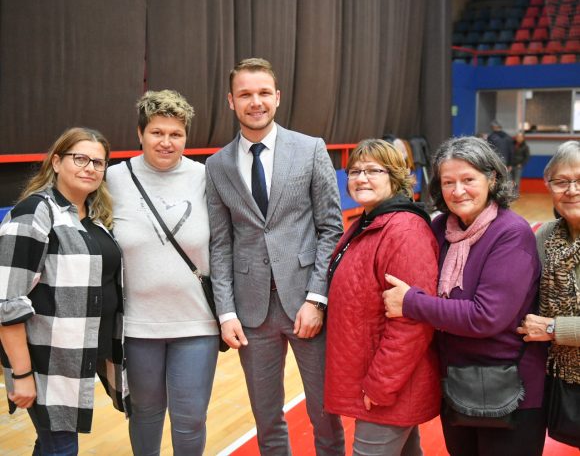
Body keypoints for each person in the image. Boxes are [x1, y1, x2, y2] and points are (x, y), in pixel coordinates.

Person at [205, 58, 345, 455]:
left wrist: (317, 299)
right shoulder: (216, 165)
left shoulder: (311, 149)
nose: (256, 102)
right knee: (266, 419)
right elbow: (220, 244)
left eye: (264, 92)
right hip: (251, 313)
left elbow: (331, 229)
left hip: (307, 305)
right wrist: (226, 312)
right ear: (231, 101)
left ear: (277, 97)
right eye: (245, 94)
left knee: (324, 413)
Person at [383, 136, 548, 456]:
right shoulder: (441, 228)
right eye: (448, 182)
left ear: (492, 179)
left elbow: (485, 317)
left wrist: (411, 303)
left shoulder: (511, 233)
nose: (458, 191)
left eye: (468, 180)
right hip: (456, 381)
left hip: (510, 387)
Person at [0, 127, 130, 454]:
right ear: (56, 162)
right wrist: (22, 374)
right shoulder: (34, 213)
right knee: (61, 449)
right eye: (80, 158)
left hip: (85, 354)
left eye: (98, 163)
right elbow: (6, 301)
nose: (90, 168)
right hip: (47, 364)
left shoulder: (95, 217)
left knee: (52, 446)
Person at [106, 90, 219, 456]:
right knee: (145, 414)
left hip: (196, 324)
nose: (166, 142)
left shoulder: (206, 177)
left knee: (191, 419)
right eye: (157, 132)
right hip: (138, 327)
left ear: (186, 137)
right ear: (140, 133)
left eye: (176, 134)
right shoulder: (112, 178)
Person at [324, 139, 440, 456]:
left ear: (395, 176)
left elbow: (413, 323)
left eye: (374, 170)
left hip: (389, 385)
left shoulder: (404, 231)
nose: (362, 178)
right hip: (382, 379)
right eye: (355, 171)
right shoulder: (370, 221)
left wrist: (380, 385)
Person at [517, 140, 580, 448]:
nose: (572, 190)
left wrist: (555, 328)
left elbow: (547, 324)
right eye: (561, 182)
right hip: (563, 381)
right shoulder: (545, 236)